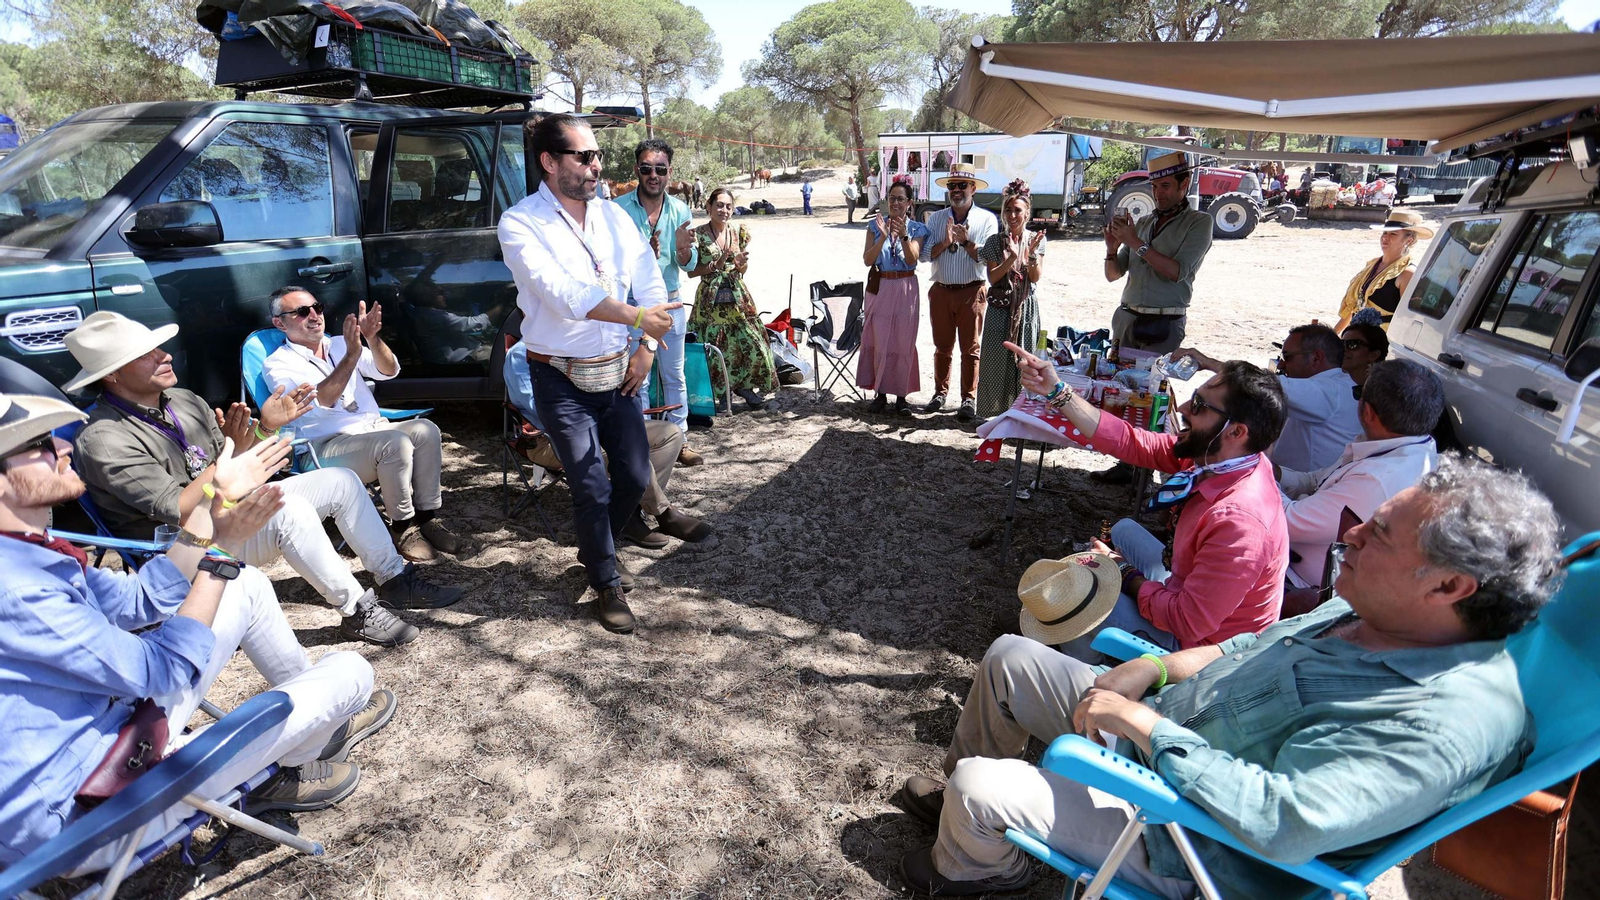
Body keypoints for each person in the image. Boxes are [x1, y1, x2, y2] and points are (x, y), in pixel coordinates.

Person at [894, 456, 1562, 899]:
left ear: (1449, 584)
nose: (1350, 536)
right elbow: (1246, 644)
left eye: (1378, 534)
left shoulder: (1439, 723)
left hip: (1184, 836)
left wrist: (1145, 726)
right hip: (1168, 734)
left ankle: (983, 872)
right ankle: (963, 806)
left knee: (985, 791)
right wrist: (1151, 667)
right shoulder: (1367, 607)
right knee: (1013, 657)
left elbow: (1281, 821)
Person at [0, 391, 397, 870]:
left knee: (245, 585)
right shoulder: (18, 590)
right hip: (90, 811)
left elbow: (140, 599)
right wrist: (221, 554)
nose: (62, 448)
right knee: (351, 671)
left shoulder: (26, 554)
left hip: (113, 733)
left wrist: (220, 497)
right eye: (41, 443)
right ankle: (303, 746)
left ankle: (307, 742)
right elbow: (165, 671)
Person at [66, 312, 454, 647]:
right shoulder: (103, 437)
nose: (164, 355)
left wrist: (265, 427)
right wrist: (233, 458)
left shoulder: (183, 400)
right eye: (146, 354)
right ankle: (357, 610)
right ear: (113, 374)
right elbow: (180, 509)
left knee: (340, 480)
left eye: (159, 347)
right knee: (290, 511)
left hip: (229, 508)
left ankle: (394, 578)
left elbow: (232, 457)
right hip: (184, 546)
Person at [496, 113, 680, 635]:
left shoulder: (614, 217)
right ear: (550, 162)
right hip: (557, 375)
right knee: (590, 483)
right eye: (583, 155)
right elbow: (563, 295)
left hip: (619, 368)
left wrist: (645, 344)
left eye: (597, 155)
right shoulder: (520, 223)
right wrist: (636, 319)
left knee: (635, 473)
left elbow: (646, 280)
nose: (596, 165)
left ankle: (600, 549)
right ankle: (605, 580)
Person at [1004, 341, 1289, 655]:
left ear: (1237, 432)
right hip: (1183, 593)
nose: (1181, 410)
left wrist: (1124, 573)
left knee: (1076, 602)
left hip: (1201, 652)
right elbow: (1131, 441)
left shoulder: (1240, 522)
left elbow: (1185, 622)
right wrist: (1057, 391)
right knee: (1124, 530)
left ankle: (1088, 677)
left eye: (1198, 405)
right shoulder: (1222, 459)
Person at [261, 287, 465, 563]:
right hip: (324, 448)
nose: (314, 316)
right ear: (279, 323)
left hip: (372, 431)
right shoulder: (278, 364)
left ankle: (427, 517)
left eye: (317, 308)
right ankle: (403, 527)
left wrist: (371, 338)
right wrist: (351, 357)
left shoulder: (340, 343)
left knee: (426, 430)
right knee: (396, 443)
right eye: (301, 312)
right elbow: (322, 400)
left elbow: (389, 370)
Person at [503, 339, 712, 549]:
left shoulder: (576, 346)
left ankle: (627, 512)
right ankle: (662, 513)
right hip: (550, 438)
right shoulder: (520, 356)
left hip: (600, 422)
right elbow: (542, 410)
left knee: (670, 434)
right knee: (627, 453)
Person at [1096, 151, 1214, 484]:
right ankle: (1126, 463)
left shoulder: (1198, 223)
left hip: (1162, 324)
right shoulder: (1146, 222)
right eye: (1155, 187)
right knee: (1121, 390)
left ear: (1184, 184)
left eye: (1165, 186)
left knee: (1149, 397)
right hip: (1128, 318)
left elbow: (1177, 272)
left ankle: (1145, 469)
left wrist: (1135, 242)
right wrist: (1110, 247)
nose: (1158, 193)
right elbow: (1113, 274)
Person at [1280, 358, 1441, 589]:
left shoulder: (1375, 480)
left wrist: (1256, 465)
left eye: (1358, 393)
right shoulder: (1405, 448)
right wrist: (1276, 473)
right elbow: (1317, 480)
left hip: (1304, 587)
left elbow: (1287, 521)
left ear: (1367, 412)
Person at [614, 138, 703, 467]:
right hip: (633, 308)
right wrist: (640, 259)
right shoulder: (618, 208)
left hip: (672, 306)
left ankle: (680, 441)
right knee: (639, 377)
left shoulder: (680, 210)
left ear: (669, 172)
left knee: (674, 376)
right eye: (647, 168)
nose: (654, 175)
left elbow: (690, 265)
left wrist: (682, 251)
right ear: (637, 170)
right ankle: (641, 442)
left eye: (660, 169)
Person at [1180, 323, 1363, 473]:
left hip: (1302, 493)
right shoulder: (1334, 386)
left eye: (1288, 357)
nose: (1282, 364)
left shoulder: (1330, 391)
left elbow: (1259, 383)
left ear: (1316, 358)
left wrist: (1209, 363)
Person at [687, 187, 780, 412]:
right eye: (719, 205)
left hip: (737, 296)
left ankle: (744, 387)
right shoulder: (697, 235)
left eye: (728, 206)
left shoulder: (738, 233)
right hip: (710, 300)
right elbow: (690, 272)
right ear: (708, 207)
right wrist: (715, 266)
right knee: (713, 344)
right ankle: (721, 393)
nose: (724, 210)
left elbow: (743, 270)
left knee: (750, 341)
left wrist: (740, 264)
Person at [923, 163, 1000, 422]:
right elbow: (924, 256)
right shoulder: (935, 219)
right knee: (942, 347)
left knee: (971, 348)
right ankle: (939, 394)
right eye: (952, 186)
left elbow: (988, 258)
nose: (956, 191)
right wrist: (945, 242)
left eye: (962, 185)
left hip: (972, 291)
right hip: (942, 291)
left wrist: (966, 242)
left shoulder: (987, 219)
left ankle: (968, 398)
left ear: (973, 188)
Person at [975, 179, 1047, 420]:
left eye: (1018, 210)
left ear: (1027, 212)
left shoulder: (1036, 240)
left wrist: (1032, 256)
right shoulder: (995, 242)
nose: (1012, 215)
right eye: (1008, 209)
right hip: (999, 309)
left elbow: (1035, 277)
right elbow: (994, 279)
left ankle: (1022, 413)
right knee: (996, 362)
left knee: (1024, 363)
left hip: (1025, 309)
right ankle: (996, 413)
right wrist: (1011, 258)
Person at [856, 175, 928, 415]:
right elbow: (867, 260)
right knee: (879, 340)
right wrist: (884, 236)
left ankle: (901, 397)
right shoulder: (874, 225)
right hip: (882, 286)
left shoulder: (918, 228)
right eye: (891, 198)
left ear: (910, 203)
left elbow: (912, 258)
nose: (895, 203)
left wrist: (904, 235)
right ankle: (880, 393)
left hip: (906, 288)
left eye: (900, 199)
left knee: (903, 341)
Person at [1335, 209, 1433, 332]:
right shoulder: (1373, 265)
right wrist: (1335, 333)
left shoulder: (1407, 273)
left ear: (1409, 240)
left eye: (1393, 234)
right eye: (1384, 233)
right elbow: (1356, 306)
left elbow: (1407, 319)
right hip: (1357, 335)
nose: (1385, 238)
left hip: (1380, 342)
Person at [1341, 319, 1390, 390]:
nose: (1344, 349)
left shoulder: (1384, 393)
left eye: (1352, 344)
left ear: (1374, 355)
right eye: (1341, 343)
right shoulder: (1331, 385)